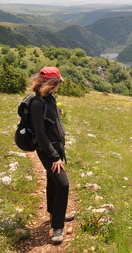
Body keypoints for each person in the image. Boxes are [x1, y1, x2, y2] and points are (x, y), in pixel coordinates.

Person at [30, 66, 73, 245]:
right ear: (52, 83)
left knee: (52, 180)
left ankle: (55, 211)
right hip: (48, 151)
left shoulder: (50, 98)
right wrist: (54, 156)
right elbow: (40, 134)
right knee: (63, 184)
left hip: (57, 148)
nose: (59, 86)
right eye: (57, 83)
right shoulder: (37, 103)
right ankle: (57, 227)